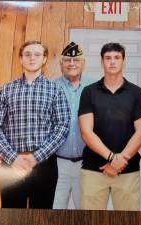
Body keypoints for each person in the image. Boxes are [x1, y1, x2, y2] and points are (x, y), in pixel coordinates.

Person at [0, 41, 70, 209]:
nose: (32, 58)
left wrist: (36, 157)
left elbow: (62, 126)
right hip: (11, 165)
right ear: (21, 59)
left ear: (44, 59)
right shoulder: (6, 90)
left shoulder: (55, 90)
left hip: (44, 165)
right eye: (27, 54)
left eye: (37, 54)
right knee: (11, 216)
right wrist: (14, 158)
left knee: (41, 216)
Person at [78, 42, 141, 210]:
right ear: (102, 62)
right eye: (108, 58)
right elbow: (86, 132)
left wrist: (120, 160)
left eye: (117, 57)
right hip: (94, 169)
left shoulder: (137, 93)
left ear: (124, 61)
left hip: (128, 170)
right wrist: (112, 158)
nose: (112, 62)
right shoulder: (89, 92)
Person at [53, 42, 95, 209]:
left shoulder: (95, 87)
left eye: (76, 60)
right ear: (61, 64)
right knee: (54, 210)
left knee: (85, 210)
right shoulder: (51, 87)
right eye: (67, 60)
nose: (72, 64)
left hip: (87, 163)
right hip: (56, 163)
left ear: (83, 63)